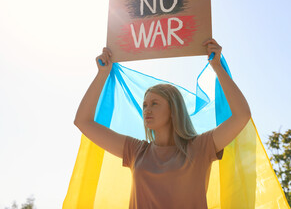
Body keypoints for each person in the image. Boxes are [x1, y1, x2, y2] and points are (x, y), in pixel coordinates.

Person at [74, 38, 252, 208]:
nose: (147, 110)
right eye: (144, 105)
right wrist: (102, 74)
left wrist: (218, 67)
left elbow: (241, 116)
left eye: (154, 104)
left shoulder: (200, 147)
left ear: (173, 110)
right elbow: (83, 121)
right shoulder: (136, 150)